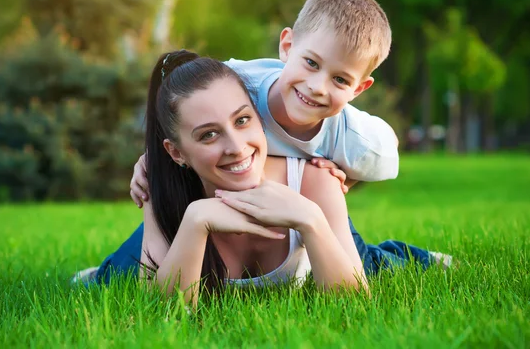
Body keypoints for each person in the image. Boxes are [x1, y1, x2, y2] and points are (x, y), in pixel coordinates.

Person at [128, 0, 449, 270]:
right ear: (287, 46)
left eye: (339, 79)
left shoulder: (354, 137)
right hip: (211, 184)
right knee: (151, 235)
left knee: (363, 258)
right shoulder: (241, 84)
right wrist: (150, 158)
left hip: (304, 195)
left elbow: (381, 154)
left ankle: (415, 257)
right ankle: (102, 272)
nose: (317, 87)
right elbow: (183, 101)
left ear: (358, 90)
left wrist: (344, 180)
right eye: (311, 63)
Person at [75, 50, 367, 304]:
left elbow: (354, 305)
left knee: (382, 261)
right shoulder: (161, 188)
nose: (237, 148)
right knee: (116, 274)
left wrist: (311, 219)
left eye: (242, 120)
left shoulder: (314, 179)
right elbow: (160, 311)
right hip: (166, 231)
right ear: (176, 153)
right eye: (208, 135)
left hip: (333, 224)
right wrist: (195, 221)